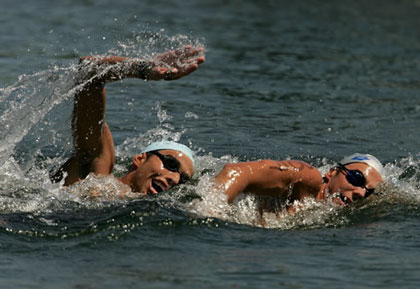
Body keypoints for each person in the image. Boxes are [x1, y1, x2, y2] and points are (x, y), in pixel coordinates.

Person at [50, 46, 205, 196]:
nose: (175, 179)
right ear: (139, 159)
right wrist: (144, 68)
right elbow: (88, 71)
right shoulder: (94, 174)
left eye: (183, 180)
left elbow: (230, 169)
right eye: (171, 165)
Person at [214, 153, 384, 211]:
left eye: (368, 191)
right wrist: (212, 208)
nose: (361, 193)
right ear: (332, 172)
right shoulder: (308, 178)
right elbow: (235, 172)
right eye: (357, 178)